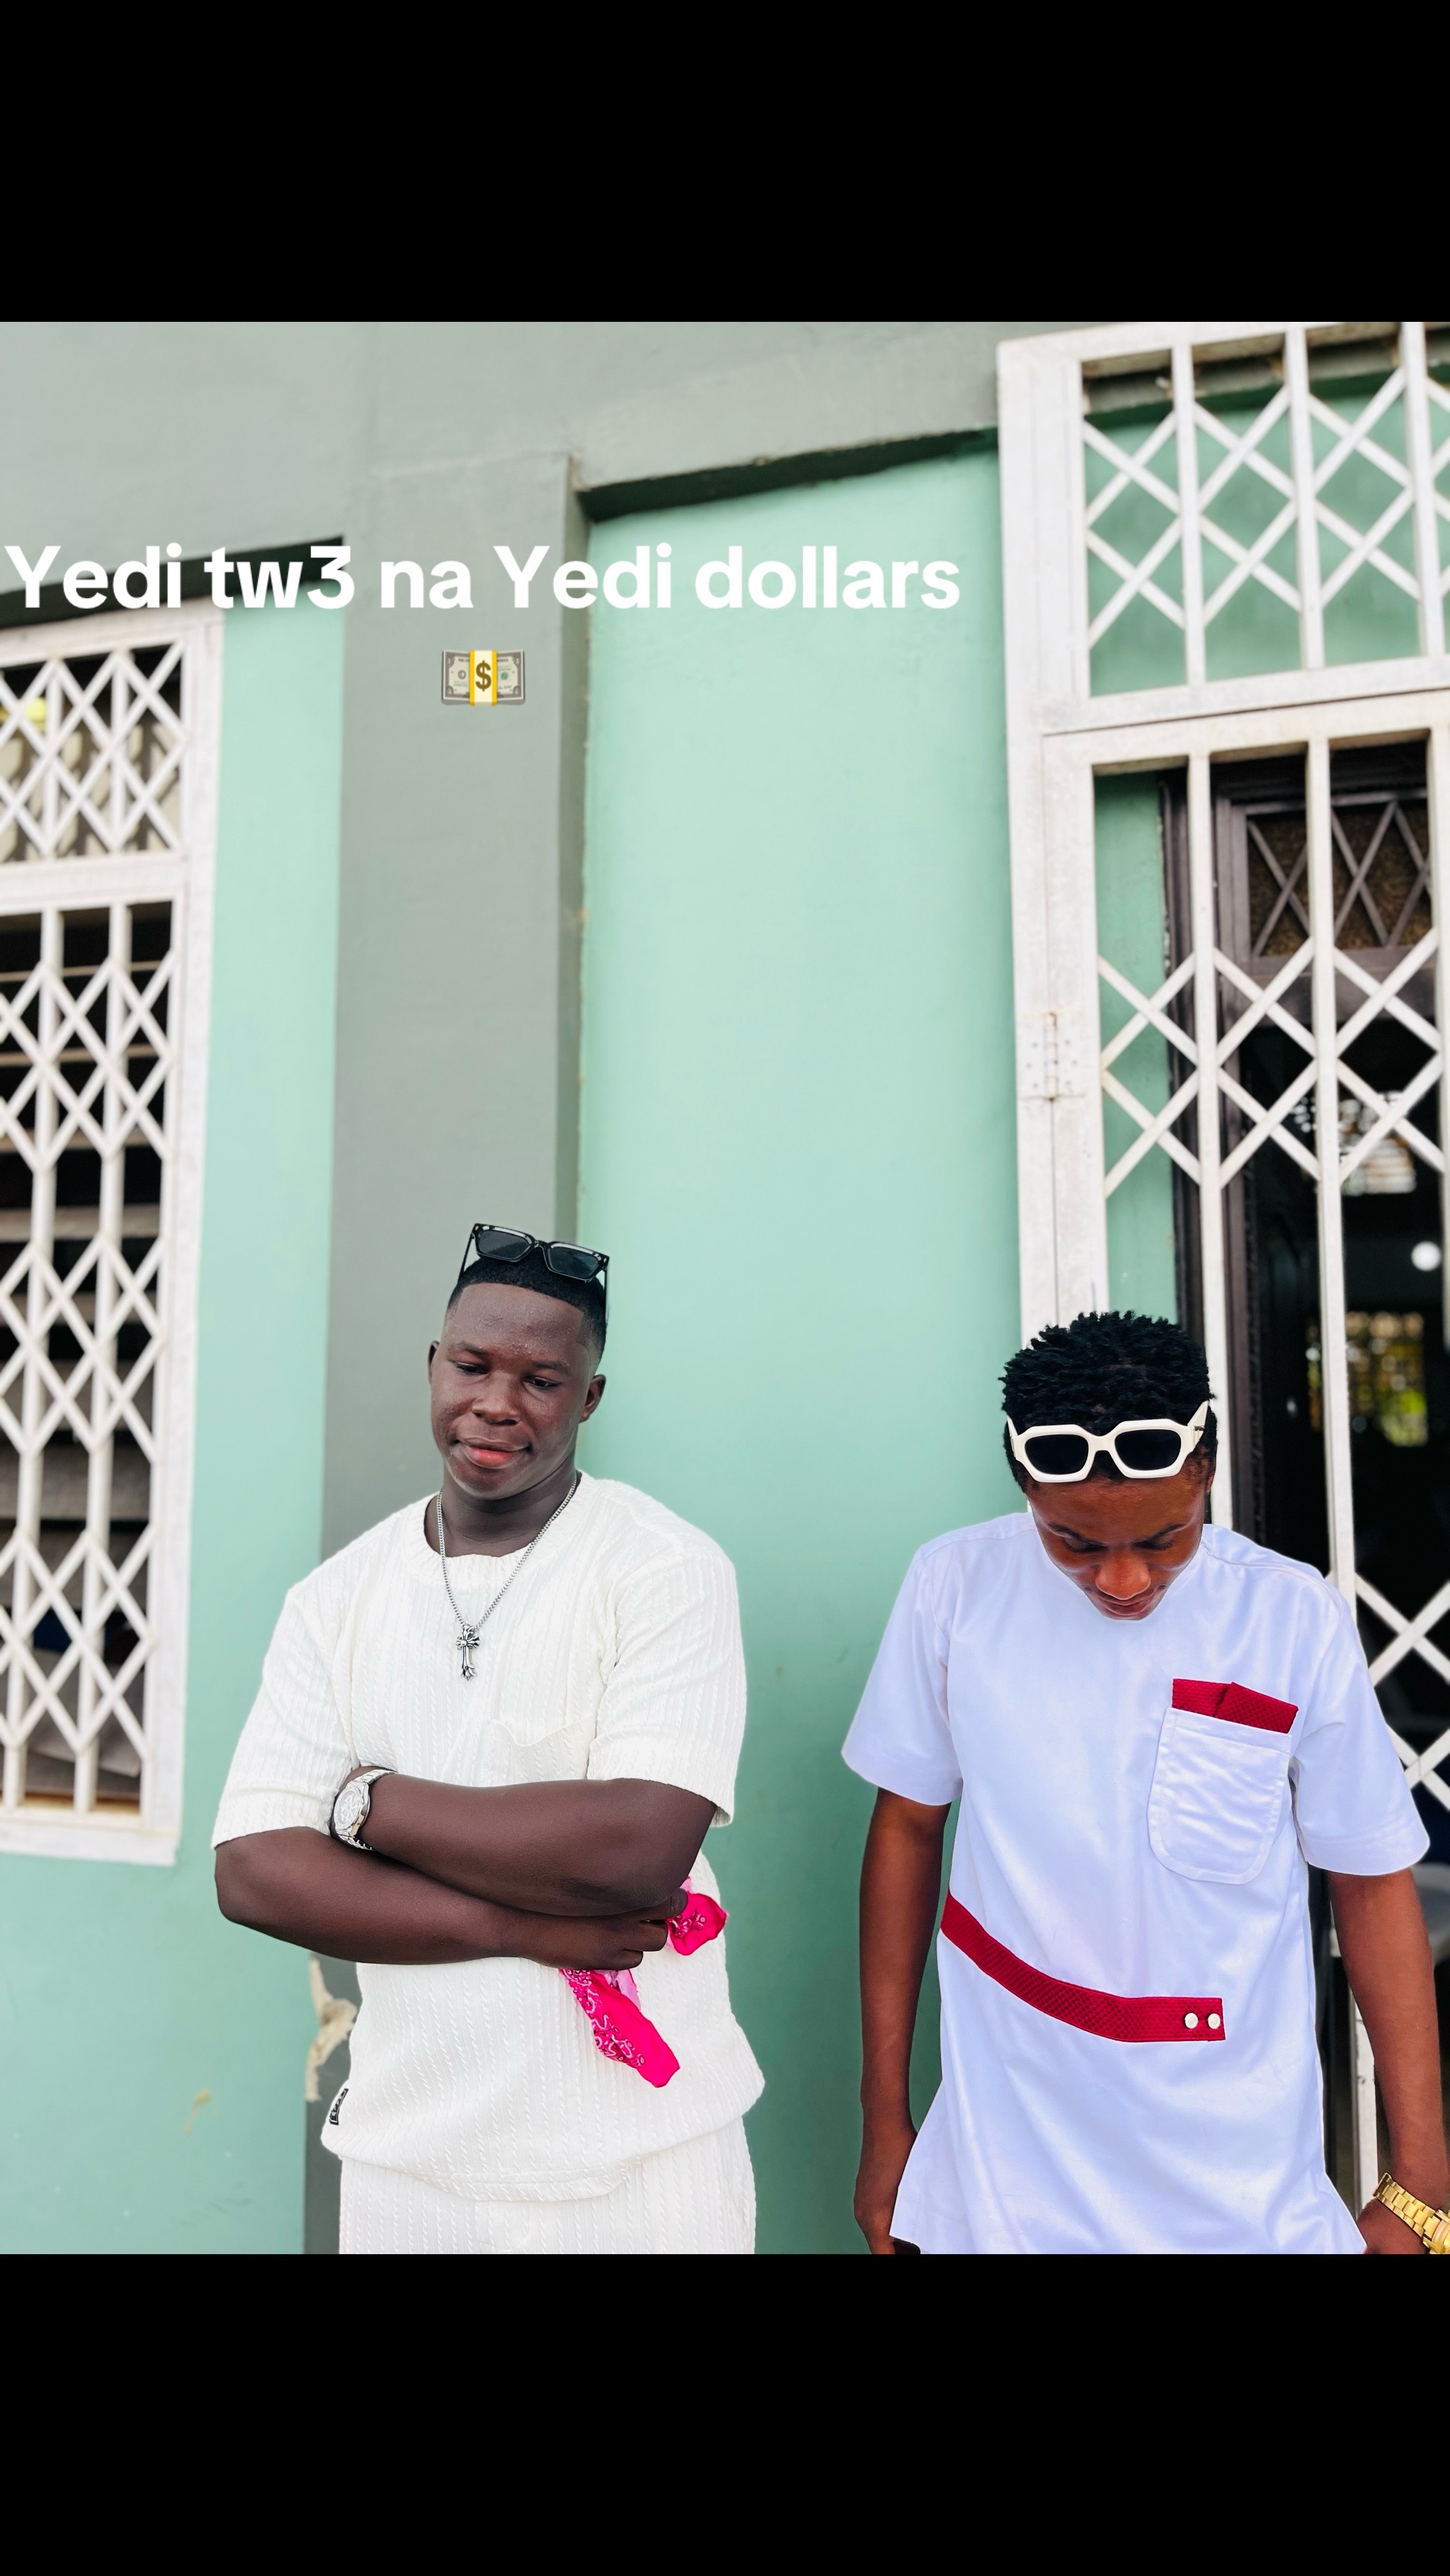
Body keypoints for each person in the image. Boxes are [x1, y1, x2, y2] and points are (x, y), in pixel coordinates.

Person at [846, 1310, 1448, 2256]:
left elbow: (1369, 1882)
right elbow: (907, 1831)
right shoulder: (953, 1588)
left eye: (1165, 1539)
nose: (1122, 1579)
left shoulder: (1289, 1616)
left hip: (1241, 2177)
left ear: (1204, 1471)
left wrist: (1422, 2180)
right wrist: (885, 2121)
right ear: (1025, 1487)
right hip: (1008, 2161)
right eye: (1074, 1542)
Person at [214, 1224, 762, 2254]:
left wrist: (365, 1805)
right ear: (434, 1364)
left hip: (642, 2164)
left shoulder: (662, 1569)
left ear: (588, 1397)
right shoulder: (334, 1600)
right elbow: (253, 1873)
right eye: (472, 1365)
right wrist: (523, 1926)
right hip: (406, 2164)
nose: (497, 1401)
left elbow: (636, 1849)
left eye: (541, 1379)